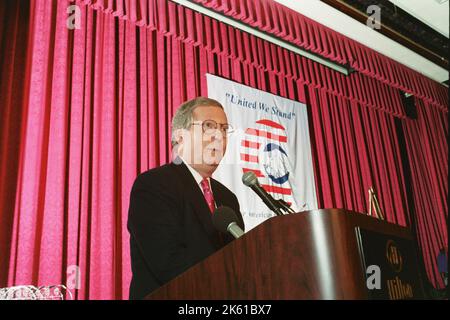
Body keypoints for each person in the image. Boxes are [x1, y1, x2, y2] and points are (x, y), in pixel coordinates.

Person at [127, 97, 245, 300]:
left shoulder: (228, 198)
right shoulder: (153, 185)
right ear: (180, 138)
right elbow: (168, 263)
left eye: (224, 129)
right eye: (209, 126)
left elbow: (239, 259)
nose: (219, 136)